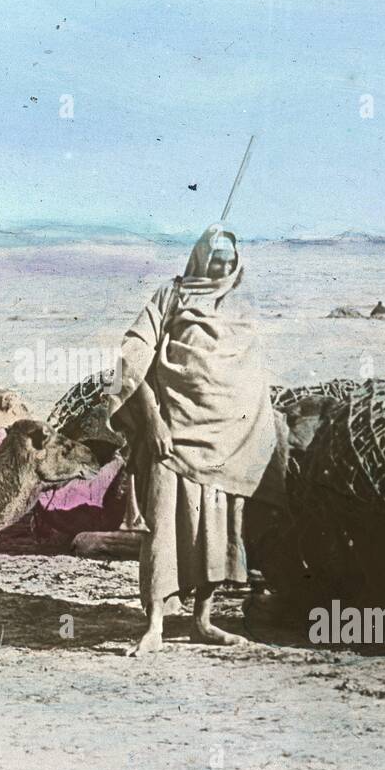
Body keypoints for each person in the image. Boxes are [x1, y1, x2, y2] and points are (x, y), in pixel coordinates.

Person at [108, 225, 285, 654]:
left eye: (229, 259)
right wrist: (152, 419)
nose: (222, 266)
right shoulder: (170, 296)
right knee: (164, 526)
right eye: (215, 258)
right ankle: (154, 624)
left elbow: (248, 379)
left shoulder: (241, 306)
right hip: (174, 435)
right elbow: (132, 358)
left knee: (217, 527)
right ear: (199, 257)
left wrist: (253, 432)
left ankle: (201, 620)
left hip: (226, 439)